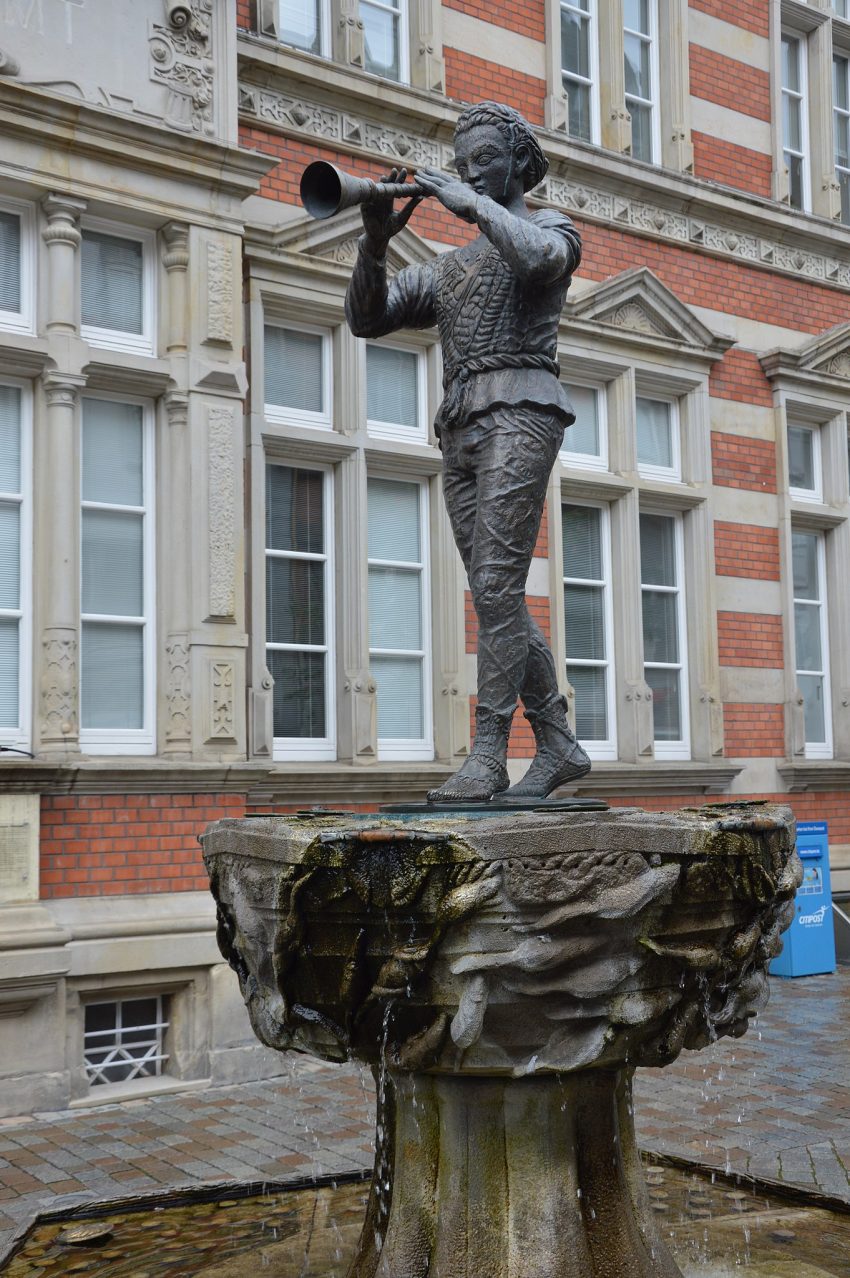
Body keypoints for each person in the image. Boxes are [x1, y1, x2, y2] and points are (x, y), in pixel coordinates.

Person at [345, 100, 591, 801]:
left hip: (523, 408)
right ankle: (560, 745)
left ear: (518, 161)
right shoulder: (449, 269)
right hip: (459, 424)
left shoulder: (551, 228)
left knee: (494, 588)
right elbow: (368, 318)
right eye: (462, 162)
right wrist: (374, 240)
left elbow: (540, 260)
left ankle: (487, 754)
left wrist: (470, 205)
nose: (468, 169)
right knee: (495, 596)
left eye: (483, 157)